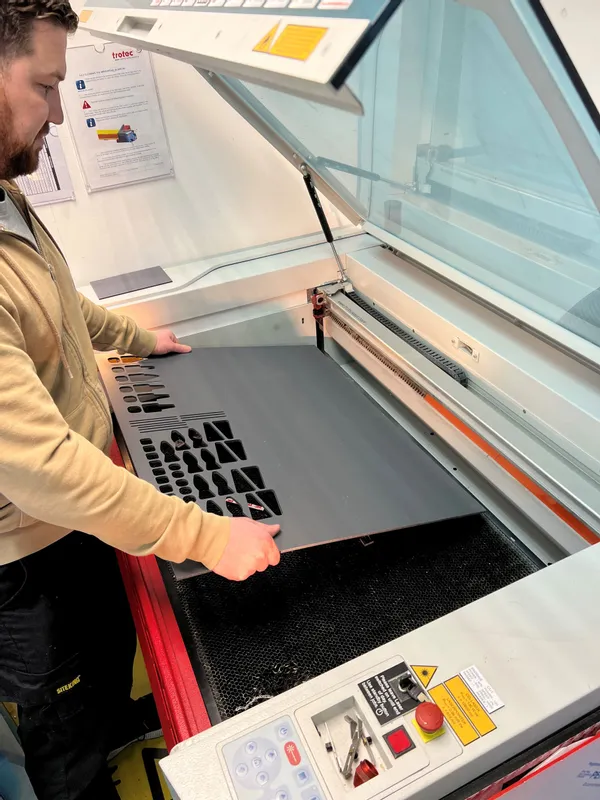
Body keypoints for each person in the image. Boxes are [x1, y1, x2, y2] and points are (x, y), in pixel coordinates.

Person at [0, 2, 281, 798]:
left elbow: (54, 302)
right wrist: (206, 536)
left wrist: (133, 336)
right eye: (45, 85)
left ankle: (113, 722)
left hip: (75, 520)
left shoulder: (4, 190)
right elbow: (43, 470)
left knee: (103, 661)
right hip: (24, 562)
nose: (60, 113)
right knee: (64, 728)